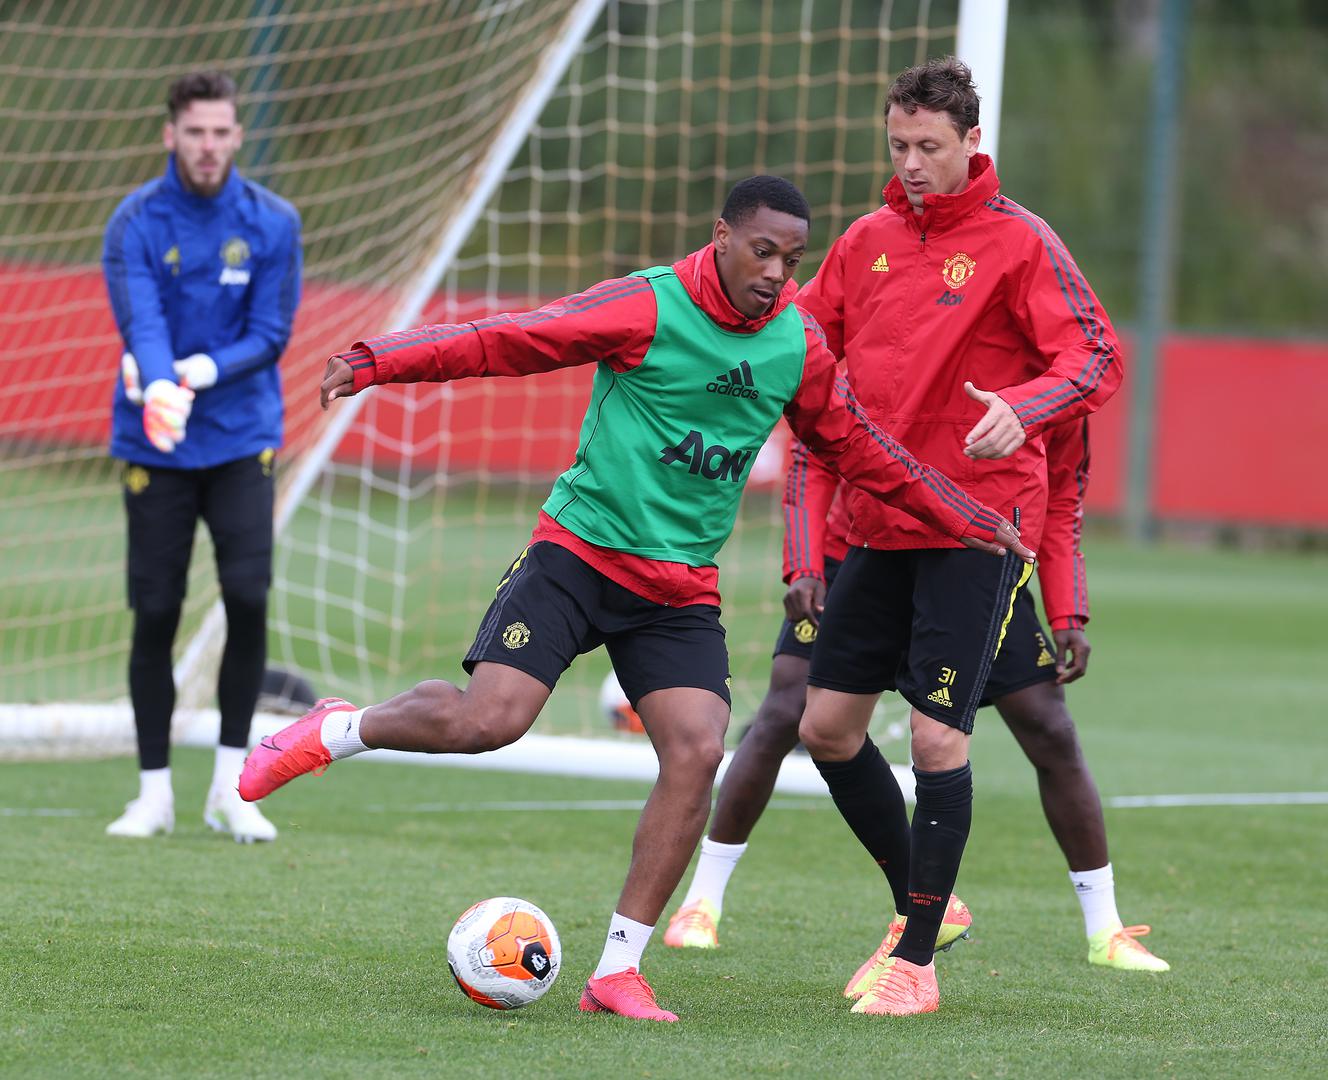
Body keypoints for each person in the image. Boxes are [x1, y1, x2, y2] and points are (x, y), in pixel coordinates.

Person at [238, 176, 1031, 1022]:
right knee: (487, 722)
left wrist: (965, 516)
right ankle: (335, 730)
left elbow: (860, 450)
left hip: (677, 590)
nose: (777, 272)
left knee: (697, 749)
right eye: (762, 251)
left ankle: (619, 970)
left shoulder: (796, 344)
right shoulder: (645, 307)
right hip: (577, 557)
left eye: (792, 259)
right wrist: (373, 361)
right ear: (721, 235)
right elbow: (508, 339)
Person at [790, 57, 1126, 1016]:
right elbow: (804, 348)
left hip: (977, 529)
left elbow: (1094, 353)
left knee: (938, 739)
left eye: (928, 147)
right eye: (897, 146)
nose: (910, 164)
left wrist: (1022, 410)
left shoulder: (1020, 242)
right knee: (825, 729)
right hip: (877, 517)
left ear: (972, 143)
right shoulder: (866, 242)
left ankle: (918, 966)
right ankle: (928, 905)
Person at [664, 422, 1169, 976]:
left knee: (1048, 724)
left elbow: (1064, 495)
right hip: (856, 556)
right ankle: (700, 903)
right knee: (790, 712)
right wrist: (806, 564)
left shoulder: (1056, 387)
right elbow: (814, 459)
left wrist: (1068, 610)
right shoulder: (871, 351)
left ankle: (1106, 928)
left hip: (972, 560)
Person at [102, 71, 303, 842]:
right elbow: (140, 319)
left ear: (237, 135)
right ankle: (154, 793)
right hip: (154, 439)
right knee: (154, 609)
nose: (209, 145)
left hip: (241, 437)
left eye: (221, 132)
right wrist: (160, 384)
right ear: (171, 135)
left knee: (248, 596)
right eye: (195, 132)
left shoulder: (272, 221)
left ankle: (230, 786)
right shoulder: (134, 223)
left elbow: (271, 334)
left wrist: (198, 374)